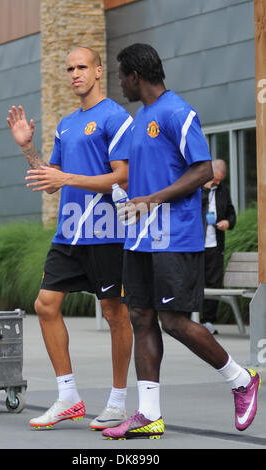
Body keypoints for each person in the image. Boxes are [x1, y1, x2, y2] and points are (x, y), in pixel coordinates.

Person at [102, 43, 261, 440]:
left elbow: (204, 168)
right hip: (139, 238)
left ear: (136, 76)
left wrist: (152, 199)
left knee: (173, 321)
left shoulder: (177, 111)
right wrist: (124, 195)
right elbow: (140, 176)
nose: (120, 84)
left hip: (175, 236)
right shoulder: (140, 118)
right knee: (140, 317)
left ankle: (241, 379)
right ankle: (149, 414)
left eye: (122, 76)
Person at [7, 46, 133, 431]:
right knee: (45, 305)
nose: (75, 73)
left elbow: (122, 177)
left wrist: (66, 179)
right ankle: (69, 398)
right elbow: (50, 182)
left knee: (115, 313)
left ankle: (116, 402)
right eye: (69, 69)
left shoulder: (116, 117)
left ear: (98, 71)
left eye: (82, 67)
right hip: (70, 232)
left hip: (107, 233)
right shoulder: (66, 124)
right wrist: (29, 149)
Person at [201, 159, 236, 335]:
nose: (217, 182)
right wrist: (206, 189)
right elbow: (194, 207)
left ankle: (208, 320)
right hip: (197, 243)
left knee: (213, 281)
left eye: (220, 180)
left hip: (215, 242)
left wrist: (227, 223)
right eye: (215, 179)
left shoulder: (223, 190)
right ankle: (190, 318)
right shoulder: (198, 187)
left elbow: (231, 213)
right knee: (195, 280)